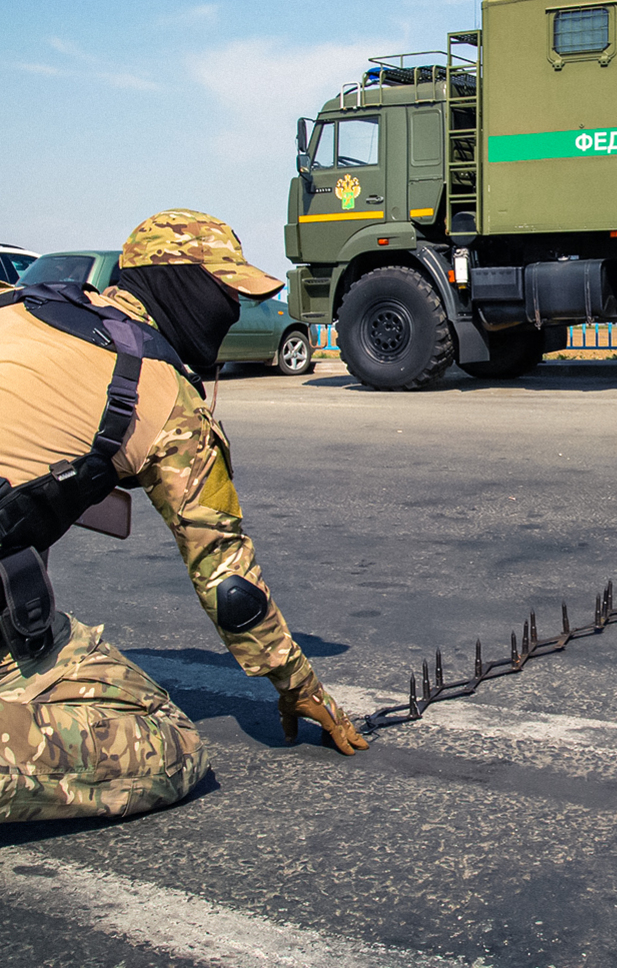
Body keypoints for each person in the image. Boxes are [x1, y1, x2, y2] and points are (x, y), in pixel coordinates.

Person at [0, 209, 367, 823]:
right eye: (223, 294)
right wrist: (298, 684)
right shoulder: (161, 395)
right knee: (168, 748)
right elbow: (230, 586)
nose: (229, 313)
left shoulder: (17, 303)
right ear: (181, 288)